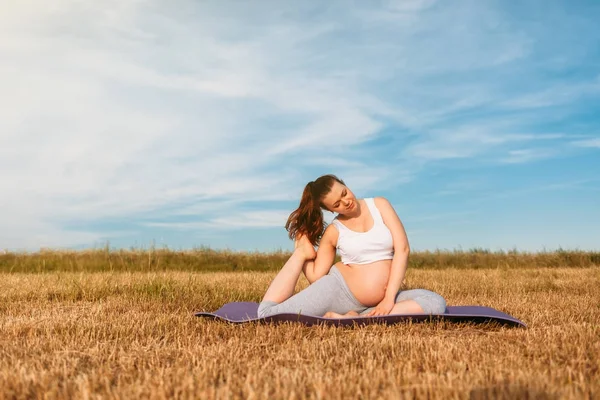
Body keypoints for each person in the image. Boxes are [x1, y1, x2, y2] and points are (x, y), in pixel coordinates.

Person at [258, 174, 446, 319]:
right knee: (267, 315)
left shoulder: (379, 205)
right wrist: (303, 256)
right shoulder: (334, 231)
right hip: (337, 291)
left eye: (344, 193)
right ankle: (301, 252)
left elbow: (402, 248)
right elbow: (316, 276)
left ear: (345, 184)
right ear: (331, 210)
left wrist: (389, 298)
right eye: (337, 204)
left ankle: (358, 317)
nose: (346, 202)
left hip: (379, 300)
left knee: (435, 302)